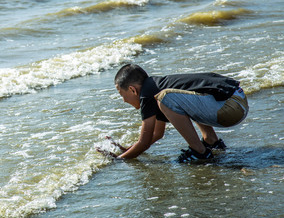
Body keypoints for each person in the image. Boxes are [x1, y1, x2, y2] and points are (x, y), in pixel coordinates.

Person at [101, 64, 249, 162]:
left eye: (122, 95)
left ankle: (199, 152)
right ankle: (211, 141)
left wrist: (118, 159)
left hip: (230, 107)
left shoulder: (148, 94)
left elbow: (144, 142)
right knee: (177, 97)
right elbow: (157, 134)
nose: (124, 101)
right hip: (237, 101)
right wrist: (128, 150)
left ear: (132, 90)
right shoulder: (154, 88)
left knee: (166, 97)